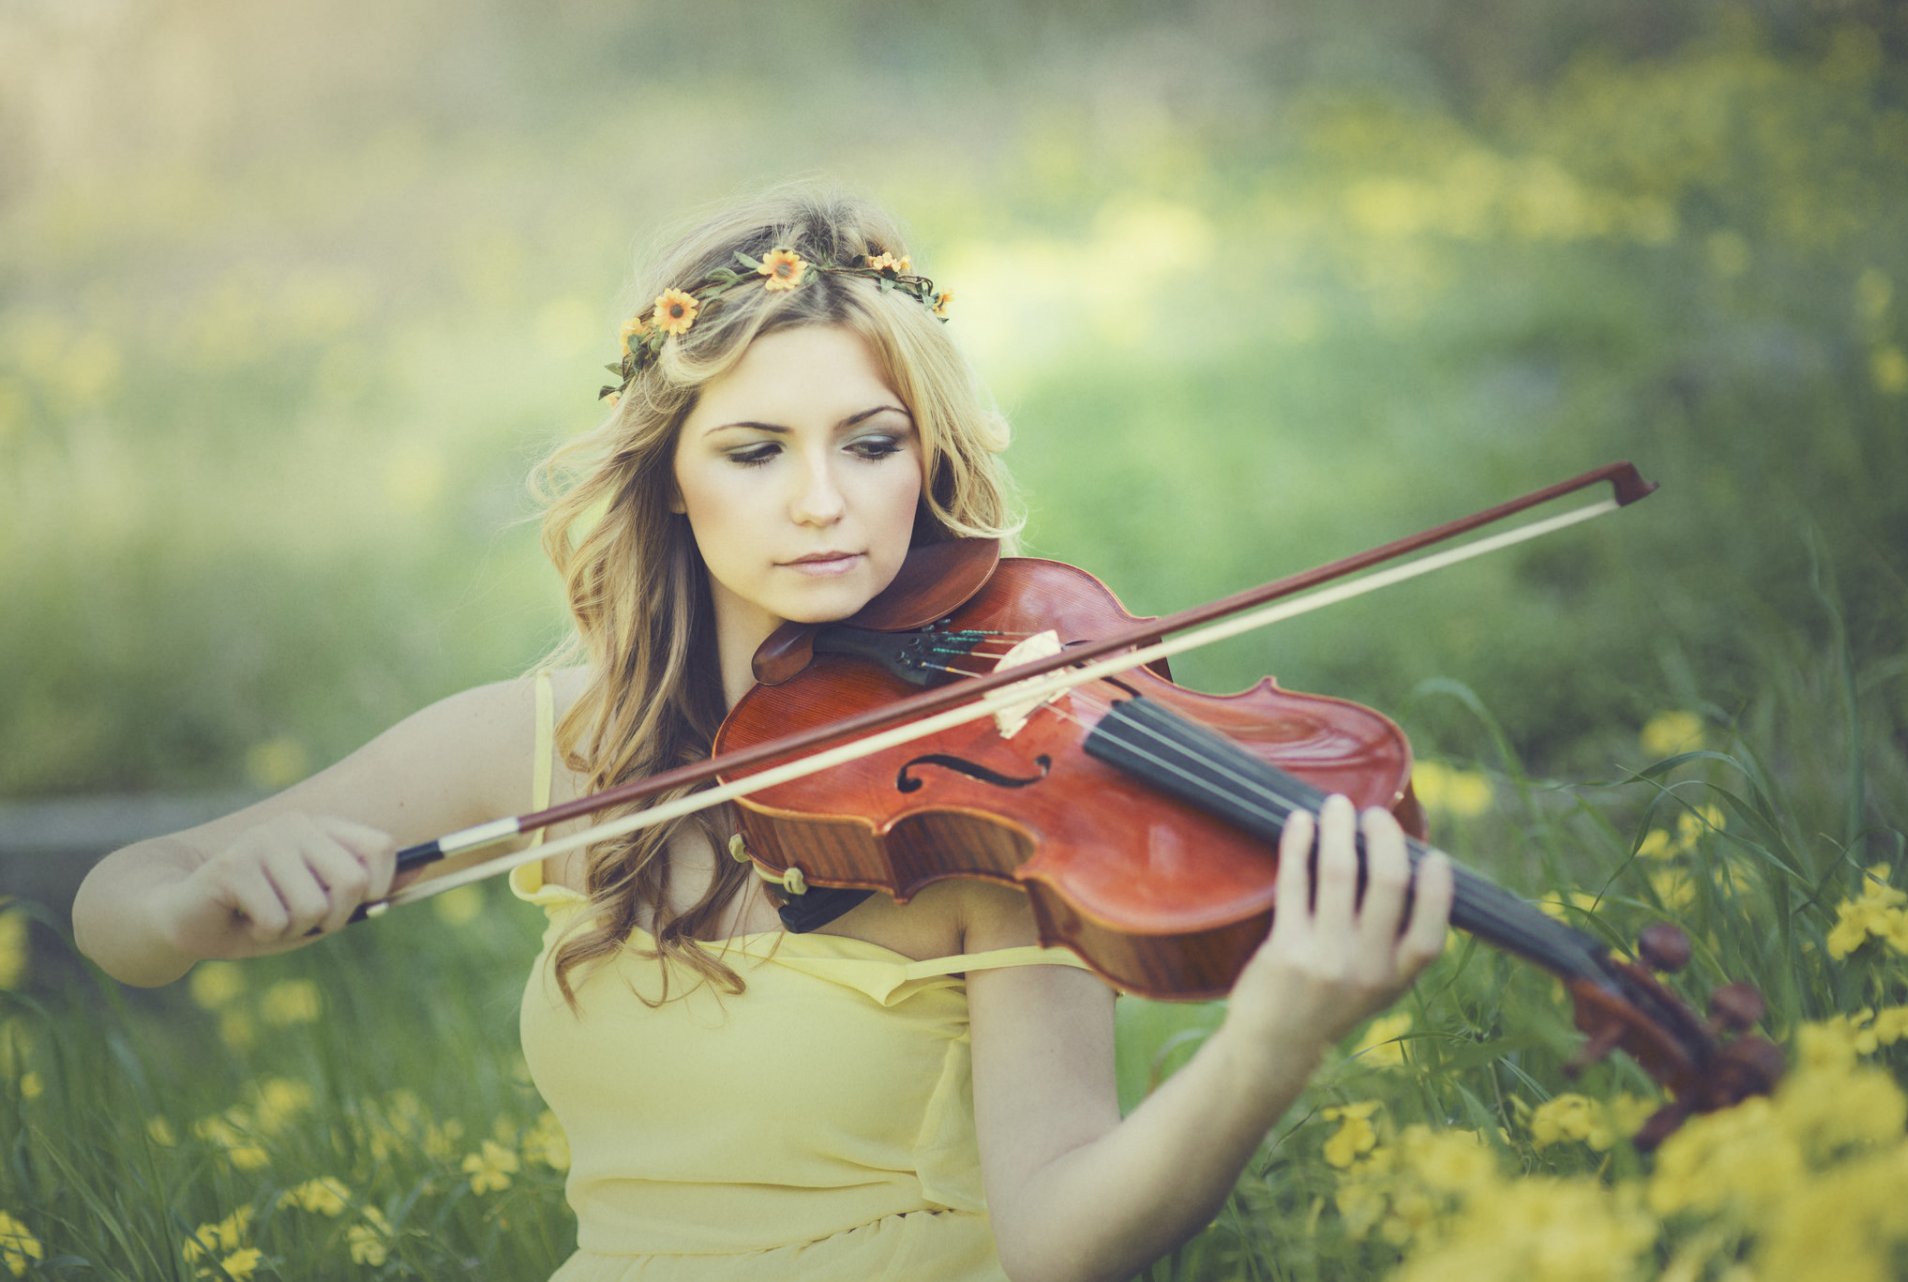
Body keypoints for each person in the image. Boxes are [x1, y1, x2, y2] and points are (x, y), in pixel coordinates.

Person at [71, 185, 1453, 1282]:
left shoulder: (995, 796)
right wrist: (199, 901)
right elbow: (111, 906)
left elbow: (1057, 1237)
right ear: (669, 478)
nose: (824, 504)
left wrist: (1269, 1039)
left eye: (870, 442)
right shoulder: (556, 739)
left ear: (929, 457)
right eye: (755, 450)